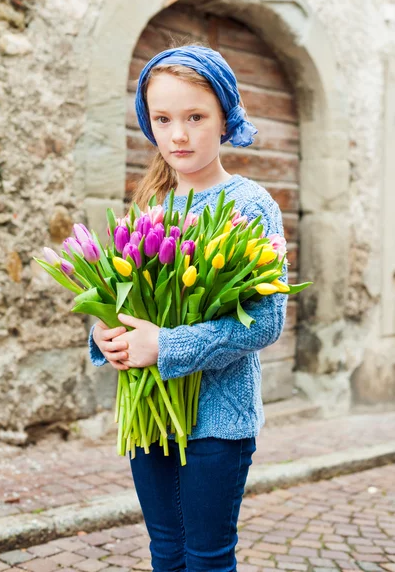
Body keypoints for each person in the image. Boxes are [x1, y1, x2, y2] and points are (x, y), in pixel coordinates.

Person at [88, 42, 288, 572]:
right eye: (163, 118)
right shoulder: (150, 205)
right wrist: (106, 335)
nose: (178, 134)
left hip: (218, 420)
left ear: (225, 117)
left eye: (195, 117)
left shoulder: (251, 205)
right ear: (147, 122)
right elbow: (124, 299)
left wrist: (167, 345)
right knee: (165, 552)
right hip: (149, 416)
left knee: (205, 556)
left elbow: (267, 321)